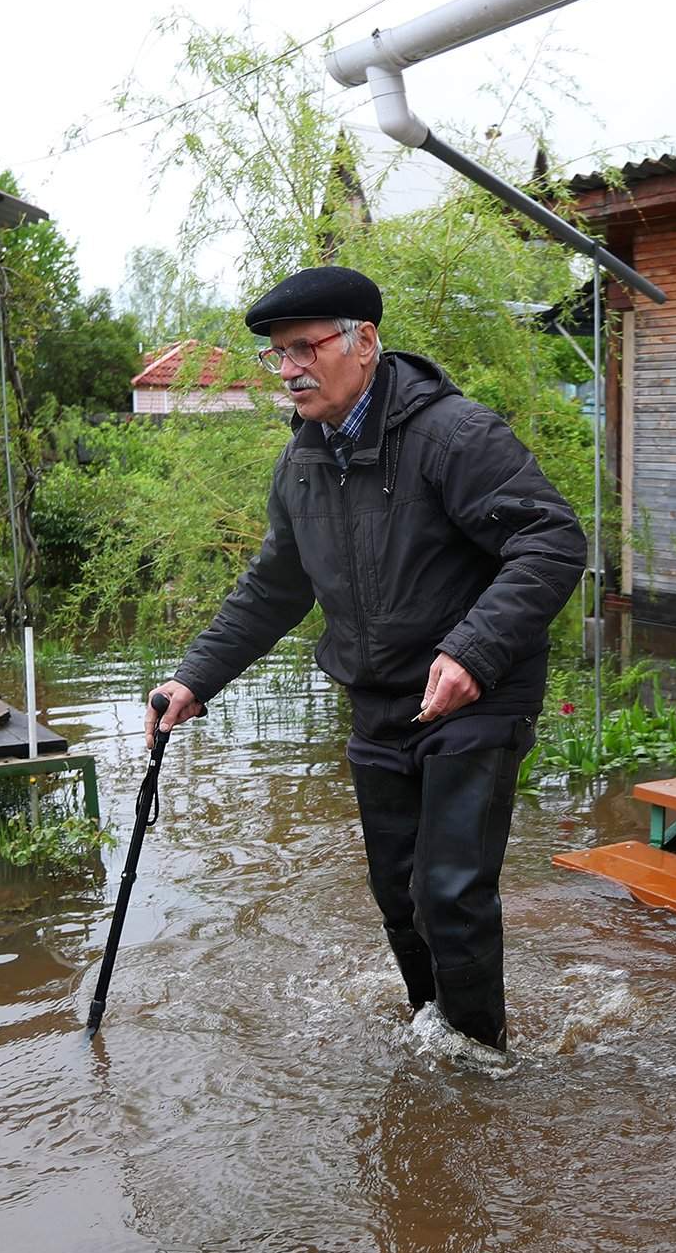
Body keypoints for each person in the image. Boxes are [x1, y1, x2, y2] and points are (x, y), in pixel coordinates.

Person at [147, 265, 586, 1053]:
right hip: (380, 702)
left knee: (449, 893)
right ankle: (435, 1028)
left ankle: (481, 1057)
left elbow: (551, 540)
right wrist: (193, 678)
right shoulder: (303, 463)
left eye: (303, 349)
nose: (287, 370)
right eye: (277, 355)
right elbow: (274, 588)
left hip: (476, 695)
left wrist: (474, 651)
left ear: (365, 342)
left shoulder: (454, 436)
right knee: (399, 896)